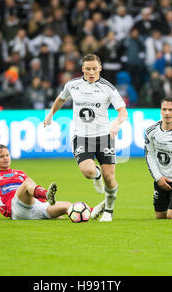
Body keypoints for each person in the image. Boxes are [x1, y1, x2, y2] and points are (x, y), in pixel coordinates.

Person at [43, 53, 128, 222]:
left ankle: (109, 212)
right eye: (88, 69)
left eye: (94, 69)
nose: (91, 72)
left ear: (100, 69)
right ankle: (96, 176)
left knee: (109, 177)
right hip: (81, 136)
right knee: (88, 171)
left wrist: (117, 123)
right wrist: (50, 114)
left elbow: (123, 111)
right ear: (82, 69)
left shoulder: (107, 87)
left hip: (104, 135)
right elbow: (61, 99)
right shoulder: (72, 85)